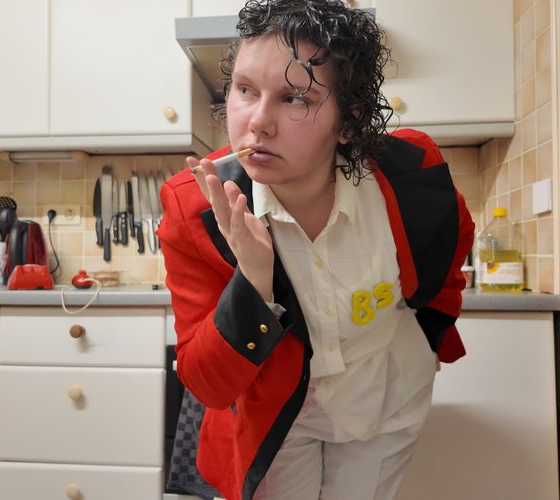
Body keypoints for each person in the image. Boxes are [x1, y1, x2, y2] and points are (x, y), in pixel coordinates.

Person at [157, 1, 475, 499]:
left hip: (389, 398)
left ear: (348, 121)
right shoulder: (193, 206)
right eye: (245, 90)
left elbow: (450, 248)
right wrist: (253, 281)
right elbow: (206, 384)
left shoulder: (411, 172)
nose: (258, 122)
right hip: (278, 413)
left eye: (294, 98)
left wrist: (431, 338)